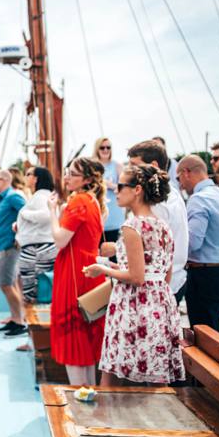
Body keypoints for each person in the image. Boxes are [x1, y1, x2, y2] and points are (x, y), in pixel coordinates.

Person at [86, 164, 183, 385]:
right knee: (158, 373)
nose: (116, 191)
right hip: (160, 303)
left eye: (120, 186)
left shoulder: (132, 226)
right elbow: (165, 274)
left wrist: (103, 269)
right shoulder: (163, 225)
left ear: (137, 190)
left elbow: (136, 277)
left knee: (111, 369)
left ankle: (104, 416)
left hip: (133, 304)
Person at [52, 157, 109, 385]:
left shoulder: (78, 202)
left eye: (72, 173)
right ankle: (88, 392)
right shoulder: (94, 202)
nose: (67, 177)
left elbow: (60, 240)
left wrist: (51, 212)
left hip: (75, 273)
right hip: (90, 270)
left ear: (86, 179)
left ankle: (79, 397)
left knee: (73, 333)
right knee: (86, 336)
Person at [180, 155, 219, 331]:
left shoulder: (198, 199)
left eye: (179, 178)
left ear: (186, 173)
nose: (181, 185)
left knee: (205, 335)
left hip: (203, 274)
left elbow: (192, 243)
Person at [126, 142, 189, 299]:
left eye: (134, 165)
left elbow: (150, 250)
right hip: (173, 279)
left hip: (159, 287)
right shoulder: (170, 192)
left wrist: (114, 250)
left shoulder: (157, 203)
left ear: (153, 165)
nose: (129, 170)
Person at [14, 167, 61, 349]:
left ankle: (35, 340)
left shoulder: (41, 197)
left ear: (36, 179)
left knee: (32, 295)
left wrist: (23, 215)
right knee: (42, 293)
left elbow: (46, 216)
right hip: (41, 248)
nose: (25, 177)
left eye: (28, 174)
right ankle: (38, 338)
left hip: (36, 251)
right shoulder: (45, 196)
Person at [0, 170, 28, 336]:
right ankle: (15, 317)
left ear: (5, 180)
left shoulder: (13, 197)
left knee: (6, 284)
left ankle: (20, 321)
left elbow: (27, 214)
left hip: (9, 246)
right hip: (1, 246)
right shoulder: (2, 200)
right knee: (9, 284)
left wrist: (19, 234)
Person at [96, 138, 126, 243]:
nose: (105, 150)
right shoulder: (93, 167)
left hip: (115, 217)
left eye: (108, 147)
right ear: (97, 149)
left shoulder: (117, 166)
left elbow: (125, 188)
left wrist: (110, 185)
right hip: (98, 217)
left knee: (115, 255)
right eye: (102, 147)